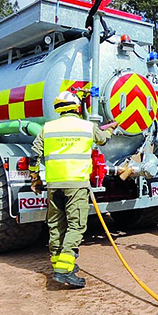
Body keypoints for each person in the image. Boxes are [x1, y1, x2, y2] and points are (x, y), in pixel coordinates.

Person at [29, 90, 117, 289]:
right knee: (76, 226)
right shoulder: (87, 127)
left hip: (54, 185)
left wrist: (35, 178)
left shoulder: (47, 128)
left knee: (56, 225)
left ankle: (58, 263)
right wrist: (111, 129)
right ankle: (64, 270)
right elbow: (103, 139)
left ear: (58, 108)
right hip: (76, 185)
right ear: (77, 107)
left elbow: (34, 155)